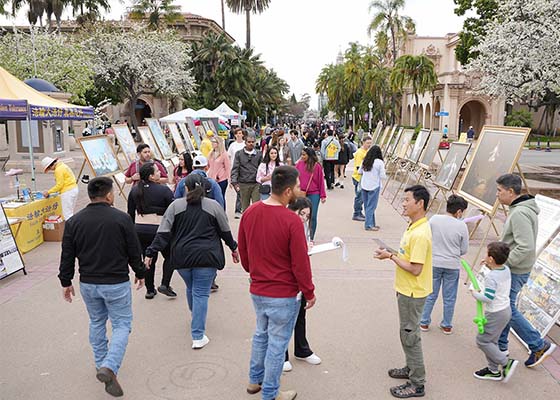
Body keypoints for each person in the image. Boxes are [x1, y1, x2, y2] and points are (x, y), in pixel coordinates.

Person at [58, 177, 146, 397]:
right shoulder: (122, 219)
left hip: (88, 282)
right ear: (109, 195)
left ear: (90, 196)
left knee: (97, 321)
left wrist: (66, 281)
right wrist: (140, 273)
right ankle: (110, 365)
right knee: (122, 324)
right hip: (116, 281)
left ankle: (101, 365)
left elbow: (67, 254)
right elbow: (134, 250)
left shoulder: (74, 221)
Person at [238, 166, 316, 400]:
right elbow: (300, 263)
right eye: (299, 187)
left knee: (261, 334)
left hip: (258, 287)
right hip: (283, 292)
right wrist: (309, 291)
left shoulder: (250, 212)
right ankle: (270, 392)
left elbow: (244, 250)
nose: (301, 190)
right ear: (289, 191)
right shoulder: (291, 220)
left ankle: (255, 379)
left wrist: (254, 271)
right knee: (277, 343)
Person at [145, 173, 239, 349]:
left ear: (185, 188)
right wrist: (234, 248)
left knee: (191, 288)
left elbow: (163, 233)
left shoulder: (175, 206)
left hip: (182, 257)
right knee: (201, 293)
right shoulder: (214, 206)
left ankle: (195, 314)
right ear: (204, 188)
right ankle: (198, 335)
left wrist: (150, 252)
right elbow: (225, 231)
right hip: (207, 256)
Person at [374, 185, 432, 399]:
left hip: (413, 292)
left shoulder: (420, 233)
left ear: (420, 204)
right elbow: (408, 258)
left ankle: (417, 383)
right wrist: (391, 253)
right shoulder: (414, 226)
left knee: (410, 336)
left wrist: (390, 257)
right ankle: (410, 368)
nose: (403, 203)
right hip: (407, 290)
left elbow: (416, 269)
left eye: (407, 199)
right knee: (406, 332)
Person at [496, 174, 557, 366]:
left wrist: (502, 263)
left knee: (507, 309)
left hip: (515, 269)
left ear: (511, 191)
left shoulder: (520, 213)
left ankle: (538, 344)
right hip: (514, 268)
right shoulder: (519, 209)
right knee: (505, 308)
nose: (497, 194)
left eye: (499, 191)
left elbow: (525, 247)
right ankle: (501, 346)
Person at [420, 195, 469, 334]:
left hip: (434, 262)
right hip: (452, 264)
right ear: (459, 211)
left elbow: (427, 237)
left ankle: (424, 322)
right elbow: (464, 249)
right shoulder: (462, 225)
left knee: (430, 294)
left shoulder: (434, 219)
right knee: (449, 297)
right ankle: (447, 324)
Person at [470, 242, 519, 382]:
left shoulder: (492, 277)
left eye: (486, 254)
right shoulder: (505, 269)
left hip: (496, 313)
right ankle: (493, 370)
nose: (484, 256)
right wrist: (487, 265)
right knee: (492, 341)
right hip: (505, 310)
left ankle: (505, 362)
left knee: (482, 341)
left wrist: (474, 293)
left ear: (491, 259)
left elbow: (487, 298)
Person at [283, 197, 321, 373]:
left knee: (300, 315)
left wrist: (308, 246)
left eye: (307, 215)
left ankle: (301, 349)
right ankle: (281, 355)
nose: (304, 218)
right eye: (302, 214)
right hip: (284, 279)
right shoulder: (284, 224)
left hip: (299, 277)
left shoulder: (302, 226)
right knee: (283, 319)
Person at [127, 162, 175, 299]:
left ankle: (150, 289)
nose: (160, 173)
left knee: (148, 258)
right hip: (160, 229)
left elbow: (130, 212)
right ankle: (165, 284)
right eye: (157, 171)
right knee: (170, 256)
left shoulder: (134, 190)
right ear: (151, 176)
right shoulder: (164, 190)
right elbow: (172, 211)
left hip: (140, 229)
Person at [295, 147, 327, 241]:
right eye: (302, 154)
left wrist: (323, 195)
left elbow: (321, 181)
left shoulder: (317, 166)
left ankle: (311, 237)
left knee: (312, 216)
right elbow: (294, 177)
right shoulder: (299, 164)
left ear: (309, 155)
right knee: (299, 215)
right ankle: (299, 235)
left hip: (314, 194)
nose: (302, 156)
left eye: (304, 155)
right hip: (301, 193)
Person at [231, 132, 262, 213]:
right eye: (249, 142)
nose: (251, 144)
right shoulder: (239, 154)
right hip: (243, 183)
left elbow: (262, 168)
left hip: (256, 184)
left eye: (252, 142)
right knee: (245, 208)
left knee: (256, 206)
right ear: (245, 142)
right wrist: (234, 182)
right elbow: (235, 168)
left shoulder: (259, 154)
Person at [359, 145, 386, 231]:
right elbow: (382, 175)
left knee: (368, 206)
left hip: (364, 185)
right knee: (371, 206)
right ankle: (369, 225)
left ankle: (372, 223)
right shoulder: (379, 162)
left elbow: (360, 172)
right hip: (374, 186)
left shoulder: (365, 161)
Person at [351, 136, 372, 221]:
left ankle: (359, 212)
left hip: (364, 177)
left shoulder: (367, 151)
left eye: (370, 143)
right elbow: (358, 167)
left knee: (362, 196)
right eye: (367, 143)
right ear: (363, 142)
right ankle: (356, 213)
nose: (369, 145)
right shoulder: (360, 152)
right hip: (359, 177)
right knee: (359, 196)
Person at [207, 136, 231, 209]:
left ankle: (222, 212)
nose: (212, 143)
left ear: (218, 143)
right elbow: (208, 165)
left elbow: (228, 167)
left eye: (214, 142)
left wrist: (229, 179)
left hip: (221, 179)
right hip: (211, 178)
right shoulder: (211, 153)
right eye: (212, 142)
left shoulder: (224, 154)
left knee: (220, 196)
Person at [228, 128, 247, 218]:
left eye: (240, 133)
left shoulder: (245, 145)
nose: (239, 135)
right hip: (234, 170)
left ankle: (240, 209)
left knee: (242, 191)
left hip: (244, 170)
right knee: (239, 190)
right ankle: (239, 209)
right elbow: (229, 158)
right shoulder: (232, 145)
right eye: (237, 133)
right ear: (235, 135)